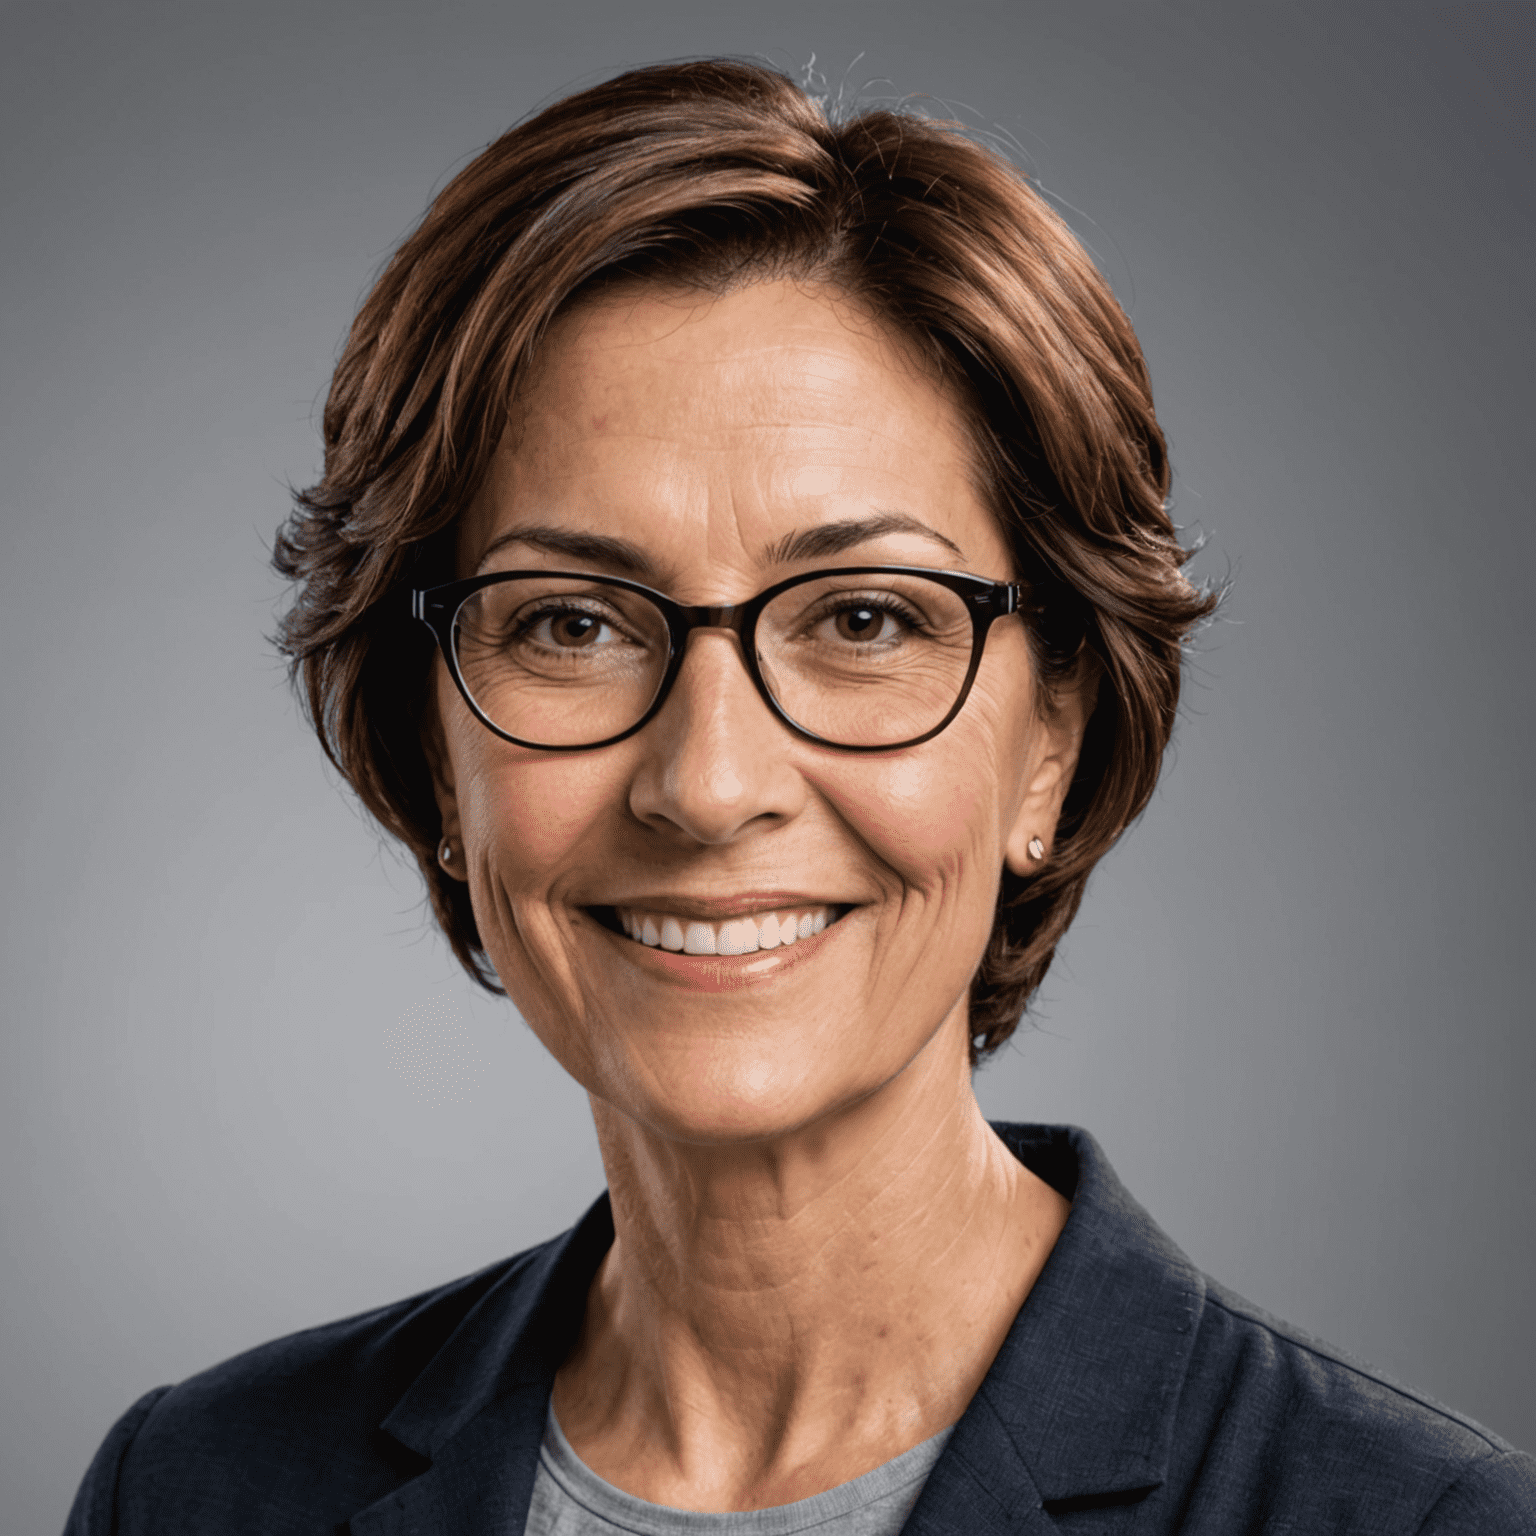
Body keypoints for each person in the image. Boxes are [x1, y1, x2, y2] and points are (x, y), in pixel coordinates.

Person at [65, 58, 1535, 1536]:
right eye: (571, 622)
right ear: (434, 744)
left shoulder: (1416, 1520)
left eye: (863, 619)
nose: (708, 784)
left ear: (1053, 744)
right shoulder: (195, 1487)